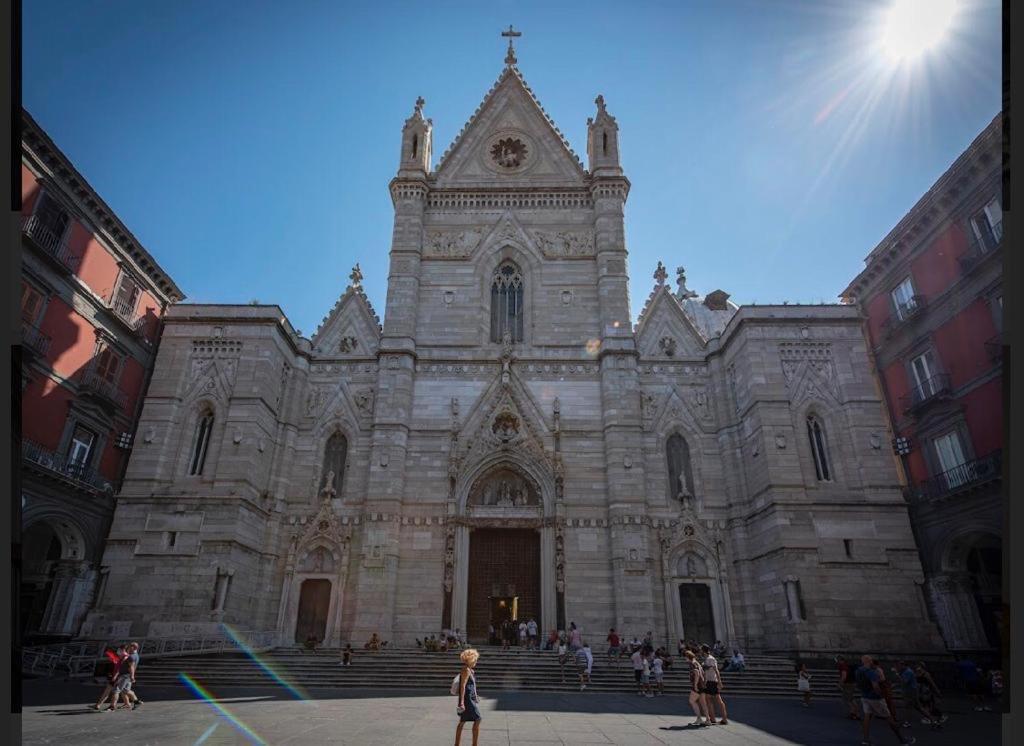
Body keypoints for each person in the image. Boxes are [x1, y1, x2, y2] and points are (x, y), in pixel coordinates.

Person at [855, 655, 915, 745]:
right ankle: (902, 740)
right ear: (869, 661)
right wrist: (881, 694)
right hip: (875, 698)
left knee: (867, 717)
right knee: (888, 717)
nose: (872, 662)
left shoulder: (858, 671)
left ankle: (865, 740)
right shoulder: (871, 672)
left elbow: (858, 684)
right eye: (871, 661)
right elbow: (875, 686)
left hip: (864, 696)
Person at [455, 648, 482, 746]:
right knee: (478, 718)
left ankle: (457, 744)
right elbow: (462, 686)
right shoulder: (465, 670)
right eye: (475, 659)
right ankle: (474, 744)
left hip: (470, 698)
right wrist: (462, 702)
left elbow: (471, 686)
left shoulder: (470, 670)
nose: (476, 661)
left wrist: (475, 695)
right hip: (466, 700)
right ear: (471, 659)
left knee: (462, 721)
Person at [108, 642, 142, 712]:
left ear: (134, 648)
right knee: (126, 690)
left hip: (125, 675)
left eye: (130, 646)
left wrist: (132, 676)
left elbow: (131, 667)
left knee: (116, 690)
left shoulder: (131, 657)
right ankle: (136, 702)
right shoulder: (136, 655)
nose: (128, 648)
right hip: (127, 676)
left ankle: (112, 707)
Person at [701, 644, 728, 724]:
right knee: (709, 700)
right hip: (709, 681)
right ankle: (713, 718)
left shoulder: (711, 659)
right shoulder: (706, 659)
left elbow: (716, 670)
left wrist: (719, 682)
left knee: (718, 701)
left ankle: (723, 718)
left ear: (703, 650)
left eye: (701, 650)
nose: (700, 652)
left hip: (712, 681)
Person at [684, 649, 711, 727]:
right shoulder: (697, 663)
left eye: (685, 657)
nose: (685, 659)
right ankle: (708, 720)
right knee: (703, 703)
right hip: (702, 685)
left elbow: (696, 673)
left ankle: (699, 718)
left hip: (697, 685)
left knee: (692, 701)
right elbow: (703, 672)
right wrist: (704, 682)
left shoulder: (692, 663)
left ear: (688, 657)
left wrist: (695, 685)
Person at [836, 655, 861, 720]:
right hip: (851, 683)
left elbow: (844, 676)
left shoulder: (843, 666)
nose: (837, 662)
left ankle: (854, 713)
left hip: (848, 684)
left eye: (837, 660)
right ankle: (856, 713)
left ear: (841, 660)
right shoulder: (846, 665)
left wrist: (839, 684)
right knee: (851, 698)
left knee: (848, 699)